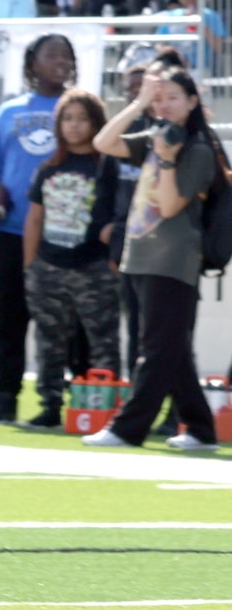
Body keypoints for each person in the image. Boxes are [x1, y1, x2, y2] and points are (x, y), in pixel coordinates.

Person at [88, 65, 222, 449]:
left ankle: (127, 428)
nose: (163, 106)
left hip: (173, 260)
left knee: (156, 350)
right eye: (159, 98)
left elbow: (168, 206)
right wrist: (139, 103)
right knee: (173, 349)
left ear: (193, 102)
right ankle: (200, 429)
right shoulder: (155, 136)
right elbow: (103, 142)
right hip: (140, 255)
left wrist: (164, 159)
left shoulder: (196, 147)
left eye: (172, 98)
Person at [0, 34, 76, 425]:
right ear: (33, 63)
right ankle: (5, 401)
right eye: (52, 54)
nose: (60, 61)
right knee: (10, 323)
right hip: (10, 232)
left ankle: (69, 404)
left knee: (65, 326)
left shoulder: (78, 108)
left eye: (66, 55)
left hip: (63, 235)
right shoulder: (10, 111)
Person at [21, 89, 122, 430]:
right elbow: (34, 219)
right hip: (49, 268)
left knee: (103, 341)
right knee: (49, 342)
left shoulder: (108, 165)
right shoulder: (48, 168)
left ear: (96, 123)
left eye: (82, 119)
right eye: (67, 119)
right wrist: (30, 265)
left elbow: (115, 215)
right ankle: (50, 405)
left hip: (94, 268)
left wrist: (112, 264)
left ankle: (106, 410)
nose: (74, 126)